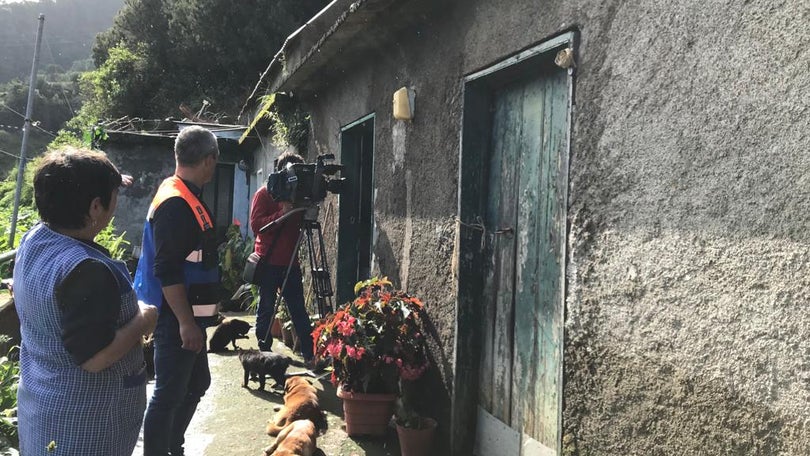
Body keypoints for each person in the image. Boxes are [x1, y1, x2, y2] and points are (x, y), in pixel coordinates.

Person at [14, 147, 158, 456]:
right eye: (113, 196)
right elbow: (96, 358)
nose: (116, 203)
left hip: (42, 409)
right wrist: (143, 320)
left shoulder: (35, 240)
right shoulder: (87, 270)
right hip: (85, 427)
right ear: (95, 208)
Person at [135, 126, 221, 456]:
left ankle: (173, 445)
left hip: (188, 316)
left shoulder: (182, 193)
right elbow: (167, 269)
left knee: (197, 383)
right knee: (167, 395)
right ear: (209, 160)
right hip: (176, 317)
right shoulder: (176, 203)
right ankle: (162, 449)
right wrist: (186, 323)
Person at [250, 151, 316, 365]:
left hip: (291, 263)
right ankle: (263, 353)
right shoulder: (264, 193)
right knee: (267, 307)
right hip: (268, 262)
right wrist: (282, 212)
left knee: (298, 310)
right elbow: (257, 225)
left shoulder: (300, 197)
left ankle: (310, 355)